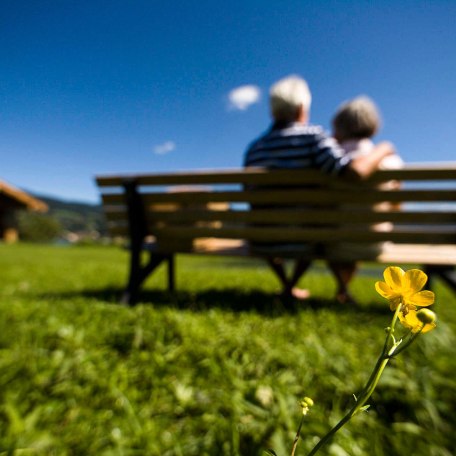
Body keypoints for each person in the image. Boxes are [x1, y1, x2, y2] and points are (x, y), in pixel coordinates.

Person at [243, 75, 395, 301]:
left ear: (273, 111)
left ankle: (287, 287)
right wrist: (385, 148)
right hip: (305, 239)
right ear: (302, 108)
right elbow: (348, 171)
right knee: (319, 226)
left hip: (262, 239)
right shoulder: (313, 137)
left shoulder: (255, 148)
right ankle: (298, 287)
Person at [328, 96, 404, 302]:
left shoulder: (331, 160)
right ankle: (343, 291)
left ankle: (342, 289)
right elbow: (396, 208)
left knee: (337, 231)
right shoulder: (392, 160)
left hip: (337, 244)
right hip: (376, 243)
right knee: (360, 228)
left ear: (338, 126)